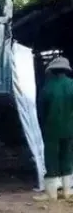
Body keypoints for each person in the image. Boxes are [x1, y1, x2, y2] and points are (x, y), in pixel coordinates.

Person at [35, 56, 73, 201]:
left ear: (52, 71)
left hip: (51, 129)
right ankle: (68, 191)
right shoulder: (72, 85)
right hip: (70, 129)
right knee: (67, 157)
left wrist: (43, 125)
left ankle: (52, 194)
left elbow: (40, 111)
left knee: (51, 159)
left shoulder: (47, 87)